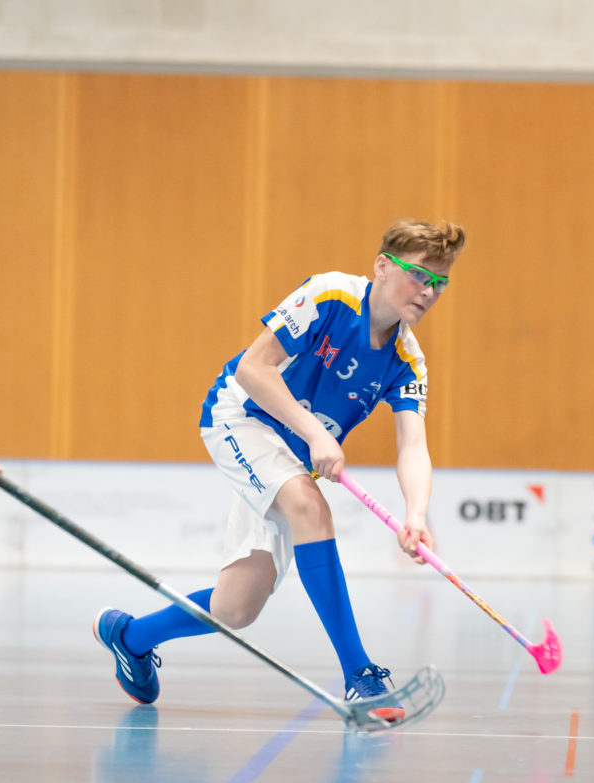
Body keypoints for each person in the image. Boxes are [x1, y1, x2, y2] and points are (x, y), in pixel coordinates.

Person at [93, 219, 465, 720]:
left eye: (440, 284)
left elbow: (412, 445)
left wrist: (417, 513)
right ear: (382, 265)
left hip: (291, 454)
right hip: (240, 416)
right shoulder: (330, 295)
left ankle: (130, 637)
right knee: (310, 508)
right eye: (420, 275)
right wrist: (316, 434)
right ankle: (360, 676)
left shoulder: (407, 359)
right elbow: (253, 367)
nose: (429, 292)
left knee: (235, 609)